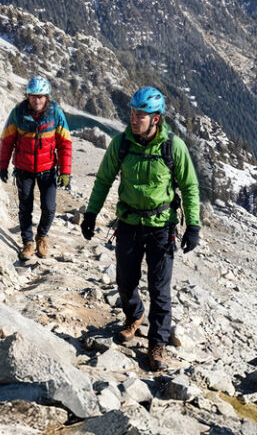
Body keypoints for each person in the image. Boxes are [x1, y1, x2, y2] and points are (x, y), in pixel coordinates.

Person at [80, 86, 202, 371]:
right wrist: (91, 213)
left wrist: (193, 225)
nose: (134, 119)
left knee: (159, 289)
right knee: (125, 282)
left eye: (141, 115)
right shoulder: (121, 144)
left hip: (162, 227)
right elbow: (103, 180)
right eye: (133, 113)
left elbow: (190, 187)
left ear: (156, 119)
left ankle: (157, 343)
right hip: (129, 223)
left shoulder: (173, 147)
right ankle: (134, 315)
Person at [0, 75, 73, 263]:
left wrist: (65, 172)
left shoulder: (55, 113)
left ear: (47, 97)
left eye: (40, 96)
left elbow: (65, 144)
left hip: (48, 169)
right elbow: (7, 141)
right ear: (28, 96)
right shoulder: (18, 113)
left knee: (49, 208)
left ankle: (42, 236)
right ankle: (28, 242)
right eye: (33, 96)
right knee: (25, 207)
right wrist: (3, 166)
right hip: (24, 169)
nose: (37, 100)